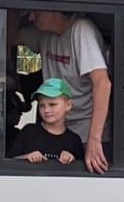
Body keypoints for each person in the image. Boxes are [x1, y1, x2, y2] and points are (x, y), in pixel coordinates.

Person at [12, 10, 111, 174]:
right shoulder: (44, 34)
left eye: (36, 12)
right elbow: (10, 36)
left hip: (88, 135)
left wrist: (94, 140)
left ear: (55, 8)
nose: (30, 17)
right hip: (57, 131)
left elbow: (102, 83)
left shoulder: (81, 30)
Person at [8, 79, 84, 166]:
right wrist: (26, 157)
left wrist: (72, 159)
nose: (46, 110)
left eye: (52, 104)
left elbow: (81, 171)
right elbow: (9, 161)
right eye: (41, 105)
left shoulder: (74, 140)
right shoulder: (29, 132)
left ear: (68, 105)